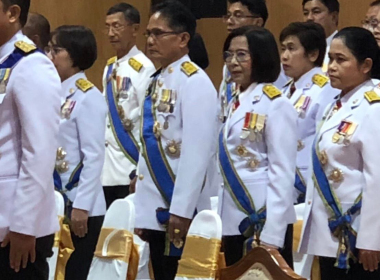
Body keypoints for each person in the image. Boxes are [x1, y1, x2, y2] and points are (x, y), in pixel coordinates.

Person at [134, 1, 218, 279]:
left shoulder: (195, 81)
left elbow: (197, 153)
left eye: (159, 33)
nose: (150, 40)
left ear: (183, 39)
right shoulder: (156, 79)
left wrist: (181, 209)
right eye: (148, 34)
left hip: (177, 208)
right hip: (155, 203)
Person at [299, 27, 380, 279]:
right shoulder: (337, 103)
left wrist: (372, 238)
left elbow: (376, 177)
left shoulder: (373, 106)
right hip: (330, 230)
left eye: (340, 60)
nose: (331, 67)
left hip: (357, 233)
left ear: (366, 65)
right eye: (330, 59)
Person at [219, 25, 297, 268]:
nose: (233, 62)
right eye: (229, 55)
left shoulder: (274, 103)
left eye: (242, 55)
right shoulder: (235, 100)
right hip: (232, 215)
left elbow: (282, 171)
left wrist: (273, 234)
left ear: (261, 57)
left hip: (261, 216)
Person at [0, 0, 61, 279]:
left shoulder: (31, 64)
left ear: (12, 13)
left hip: (14, 225)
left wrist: (25, 225)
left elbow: (39, 152)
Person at [46, 25, 107, 280]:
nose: (49, 55)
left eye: (55, 50)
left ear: (75, 55)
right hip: (53, 200)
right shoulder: (53, 91)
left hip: (79, 204)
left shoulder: (87, 96)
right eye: (48, 49)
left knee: (72, 273)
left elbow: (93, 156)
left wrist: (81, 207)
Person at [102, 3, 155, 209]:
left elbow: (147, 119)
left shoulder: (143, 67)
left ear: (134, 29)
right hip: (107, 167)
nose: (111, 33)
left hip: (128, 163)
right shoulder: (109, 66)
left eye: (117, 26)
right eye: (107, 27)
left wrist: (140, 169)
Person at [280, 22, 339, 204]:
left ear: (313, 54)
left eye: (291, 49)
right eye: (282, 49)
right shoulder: (285, 90)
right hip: (282, 179)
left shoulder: (324, 89)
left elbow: (323, 142)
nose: (284, 56)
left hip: (304, 184)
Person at [219, 0, 287, 123]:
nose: (230, 21)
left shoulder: (269, 67)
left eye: (238, 15)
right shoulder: (228, 65)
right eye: (228, 15)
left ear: (258, 22)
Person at [302, 0, 339, 72]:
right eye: (305, 13)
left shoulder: (346, 49)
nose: (309, 18)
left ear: (334, 17)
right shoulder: (300, 50)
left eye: (316, 12)